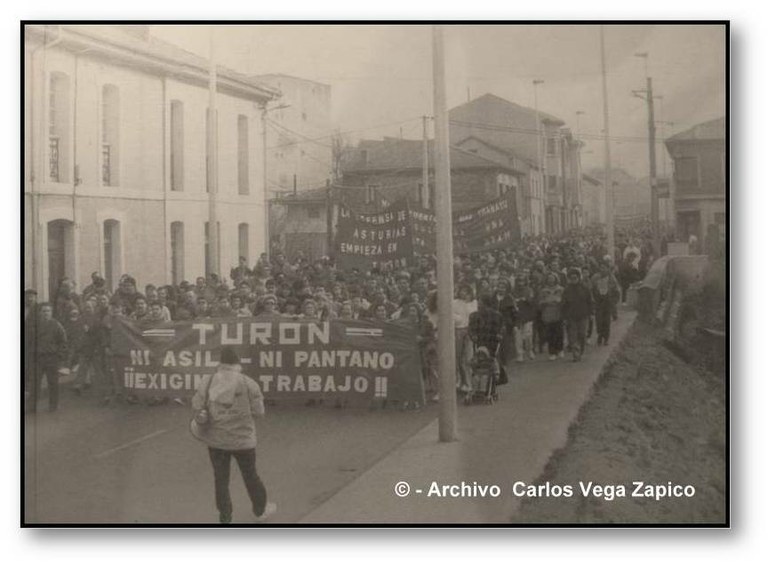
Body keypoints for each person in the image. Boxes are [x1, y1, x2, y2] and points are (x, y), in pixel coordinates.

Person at [191, 346, 276, 524]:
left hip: (216, 441)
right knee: (251, 475)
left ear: (220, 364)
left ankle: (225, 517)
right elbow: (259, 412)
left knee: (221, 480)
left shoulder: (207, 381)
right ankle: (260, 510)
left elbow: (197, 405)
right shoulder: (248, 383)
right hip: (244, 441)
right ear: (237, 364)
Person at [26, 303, 68, 412]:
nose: (46, 313)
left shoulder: (56, 325)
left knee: (53, 383)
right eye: (44, 311)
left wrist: (59, 356)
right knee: (35, 383)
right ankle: (31, 406)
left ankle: (53, 406)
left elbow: (63, 342)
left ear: (51, 312)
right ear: (40, 313)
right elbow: (28, 341)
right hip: (37, 358)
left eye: (48, 311)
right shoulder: (34, 326)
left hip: (51, 358)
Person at [561, 268, 593, 362]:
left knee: (582, 334)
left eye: (575, 277)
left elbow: (590, 301)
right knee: (572, 336)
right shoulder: (567, 290)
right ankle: (576, 354)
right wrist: (564, 317)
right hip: (571, 317)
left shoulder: (585, 288)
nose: (574, 279)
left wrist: (591, 313)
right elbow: (563, 305)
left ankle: (580, 350)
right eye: (571, 278)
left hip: (583, 315)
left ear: (579, 277)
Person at [591, 259, 621, 346]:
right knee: (599, 321)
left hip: (608, 302)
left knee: (607, 321)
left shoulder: (612, 278)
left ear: (608, 268)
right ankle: (600, 334)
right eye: (601, 268)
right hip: (598, 302)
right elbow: (591, 289)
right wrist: (593, 300)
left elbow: (616, 291)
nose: (602, 270)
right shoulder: (595, 277)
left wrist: (613, 301)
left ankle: (606, 338)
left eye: (604, 268)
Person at [538, 273, 564, 360]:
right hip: (548, 313)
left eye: (552, 278)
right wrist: (545, 302)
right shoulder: (543, 290)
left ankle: (560, 349)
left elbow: (564, 301)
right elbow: (540, 302)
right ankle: (552, 352)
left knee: (559, 332)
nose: (550, 280)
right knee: (550, 333)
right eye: (549, 278)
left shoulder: (561, 289)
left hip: (558, 313)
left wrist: (559, 301)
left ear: (556, 279)